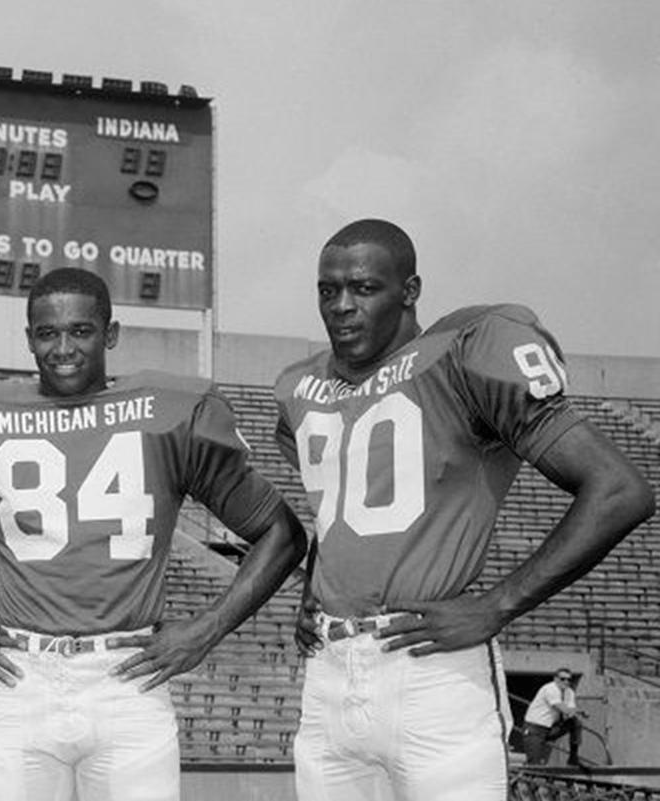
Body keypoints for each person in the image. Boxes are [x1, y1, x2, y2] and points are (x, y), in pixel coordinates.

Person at [279, 219, 655, 801]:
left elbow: (619, 489)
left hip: (431, 672)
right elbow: (340, 506)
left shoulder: (462, 353)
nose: (342, 306)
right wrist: (315, 587)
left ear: (410, 290)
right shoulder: (303, 386)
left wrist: (497, 605)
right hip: (330, 672)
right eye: (328, 290)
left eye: (363, 288)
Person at [0, 267, 308, 801]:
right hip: (19, 679)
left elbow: (281, 534)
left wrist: (206, 629)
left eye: (81, 331)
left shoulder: (169, 412)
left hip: (128, 678)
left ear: (111, 334)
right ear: (28, 338)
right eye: (47, 333)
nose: (63, 348)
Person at [521, 669, 585, 766]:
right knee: (534, 764)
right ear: (555, 679)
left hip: (550, 729)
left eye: (569, 680)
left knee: (576, 723)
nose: (566, 682)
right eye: (562, 679)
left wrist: (574, 713)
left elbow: (570, 711)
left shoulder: (569, 692)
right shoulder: (550, 689)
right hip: (534, 729)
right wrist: (578, 711)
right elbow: (562, 708)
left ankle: (573, 758)